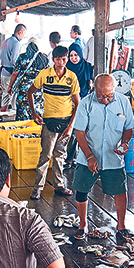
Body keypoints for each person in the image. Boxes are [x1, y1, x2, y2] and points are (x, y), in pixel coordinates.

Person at [73, 74, 134, 241]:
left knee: (120, 190)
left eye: (109, 95)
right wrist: (89, 156)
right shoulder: (86, 103)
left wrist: (125, 143)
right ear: (95, 90)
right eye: (101, 96)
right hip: (88, 155)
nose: (105, 99)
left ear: (114, 90)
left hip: (113, 157)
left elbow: (128, 127)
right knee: (81, 189)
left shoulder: (123, 101)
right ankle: (82, 224)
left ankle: (121, 225)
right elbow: (79, 132)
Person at [27, 45, 80, 200]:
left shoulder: (71, 77)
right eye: (58, 59)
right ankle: (37, 188)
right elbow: (30, 92)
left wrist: (71, 126)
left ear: (67, 58)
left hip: (66, 122)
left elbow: (78, 103)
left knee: (60, 155)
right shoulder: (45, 74)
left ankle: (59, 185)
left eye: (64, 58)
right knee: (46, 155)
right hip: (49, 120)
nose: (61, 62)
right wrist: (34, 113)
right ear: (53, 59)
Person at [7, 37, 49, 121]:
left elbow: (15, 73)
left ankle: (23, 128)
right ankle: (36, 130)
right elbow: (46, 74)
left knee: (23, 111)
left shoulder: (22, 57)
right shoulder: (43, 58)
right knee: (36, 109)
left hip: (23, 89)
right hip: (37, 88)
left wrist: (10, 86)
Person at [0, 24, 26, 112]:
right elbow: (14, 61)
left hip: (3, 72)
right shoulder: (16, 43)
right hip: (10, 74)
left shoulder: (6, 41)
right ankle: (13, 118)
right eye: (24, 34)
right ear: (20, 32)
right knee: (13, 96)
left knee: (5, 95)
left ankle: (3, 114)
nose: (23, 36)